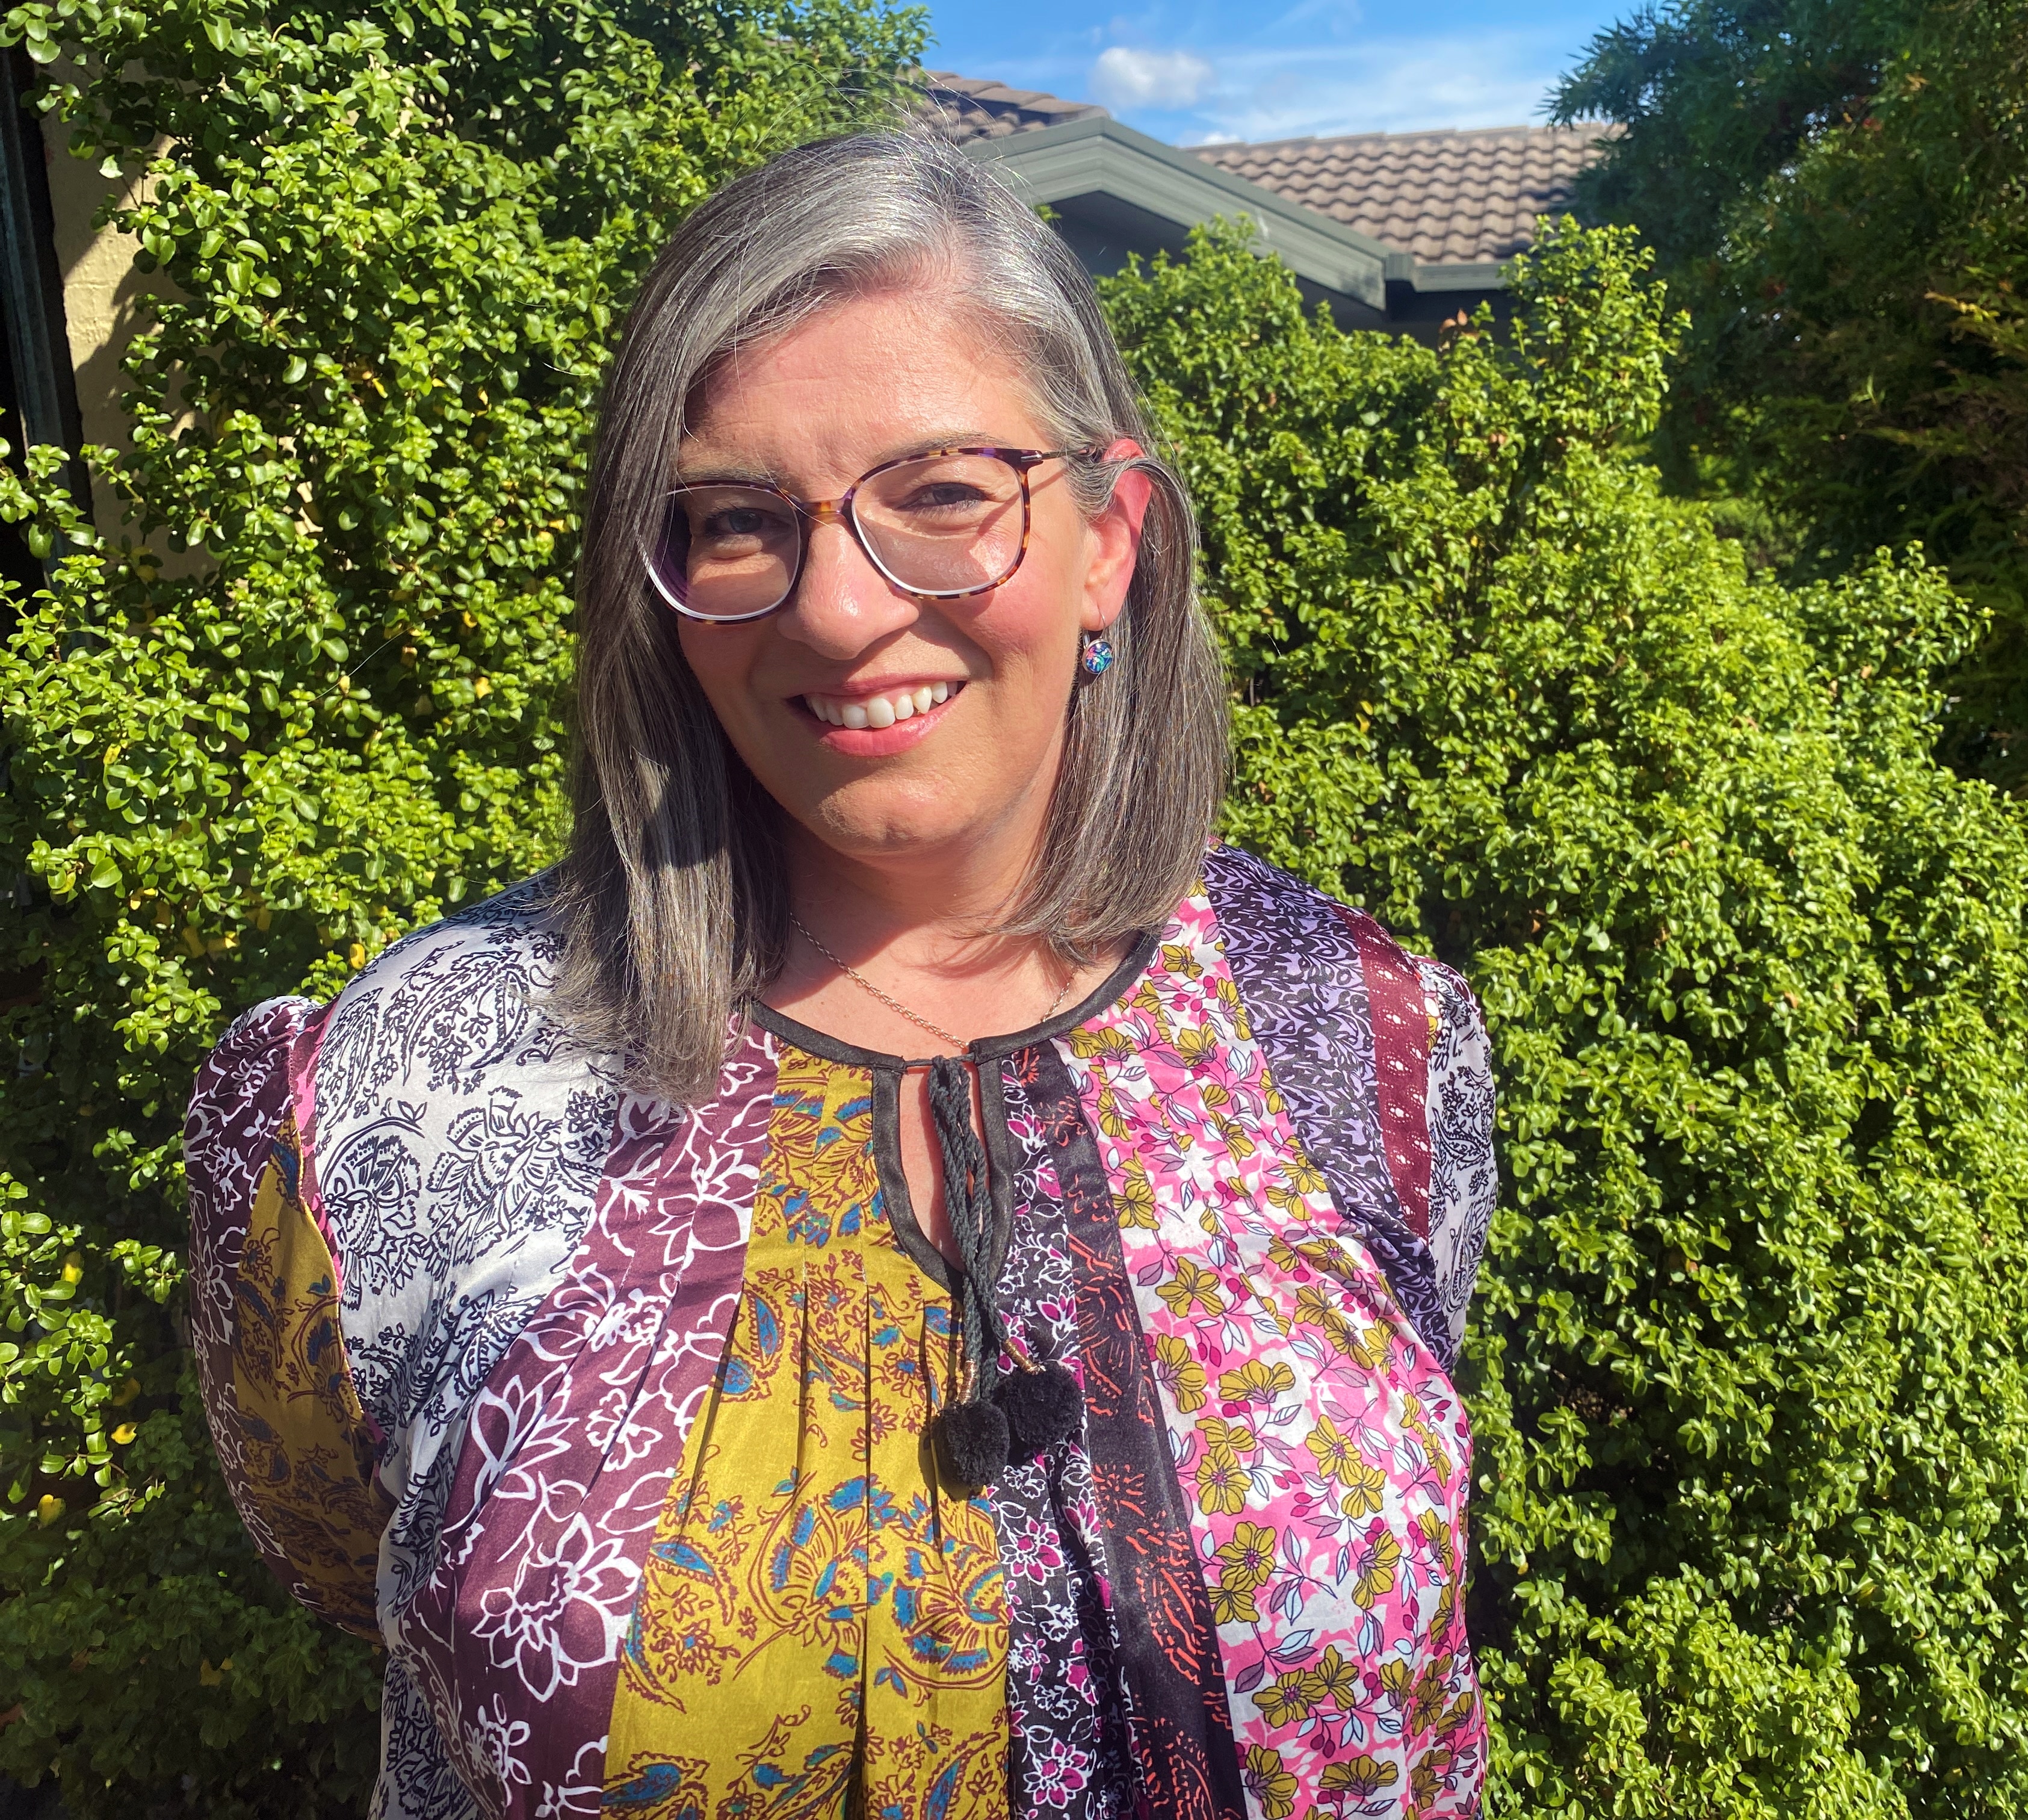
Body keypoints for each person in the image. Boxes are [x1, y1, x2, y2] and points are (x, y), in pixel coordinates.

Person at [184, 129, 1496, 1820]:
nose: (838, 609)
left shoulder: (1358, 1032)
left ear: (1109, 540)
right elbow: (347, 1567)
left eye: (944, 494)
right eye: (738, 521)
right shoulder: (385, 1105)